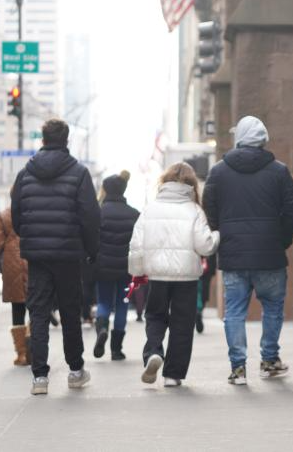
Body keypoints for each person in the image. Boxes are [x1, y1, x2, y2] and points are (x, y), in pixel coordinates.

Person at [202, 116, 293, 385]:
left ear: (239, 139)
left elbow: (208, 205)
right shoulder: (279, 171)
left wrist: (222, 232)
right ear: (263, 140)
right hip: (270, 252)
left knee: (234, 311)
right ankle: (269, 360)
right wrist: (282, 238)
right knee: (273, 307)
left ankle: (238, 368)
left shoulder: (219, 171)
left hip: (233, 254)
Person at [11, 118, 101, 396]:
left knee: (38, 312)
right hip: (68, 253)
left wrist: (30, 237)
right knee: (70, 312)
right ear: (67, 140)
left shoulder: (25, 174)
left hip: (37, 255)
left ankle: (39, 377)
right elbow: (90, 216)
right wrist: (90, 250)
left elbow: (16, 214)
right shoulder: (79, 173)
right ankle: (75, 370)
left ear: (43, 140)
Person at [129, 162, 219, 387]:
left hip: (157, 275)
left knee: (155, 316)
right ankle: (173, 374)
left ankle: (153, 352)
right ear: (191, 185)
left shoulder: (150, 209)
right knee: (182, 323)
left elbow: (136, 245)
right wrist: (216, 235)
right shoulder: (194, 210)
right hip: (186, 276)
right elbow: (205, 246)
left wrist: (137, 272)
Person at [93, 173, 139, 360]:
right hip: (126, 268)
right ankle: (116, 349)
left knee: (103, 301)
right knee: (122, 304)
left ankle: (102, 327)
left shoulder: (98, 213)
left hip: (103, 266)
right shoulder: (134, 214)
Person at [0, 206, 30, 366]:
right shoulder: (32, 211)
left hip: (11, 261)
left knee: (17, 308)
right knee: (37, 306)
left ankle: (21, 353)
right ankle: (32, 341)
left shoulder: (5, 215)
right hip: (32, 258)